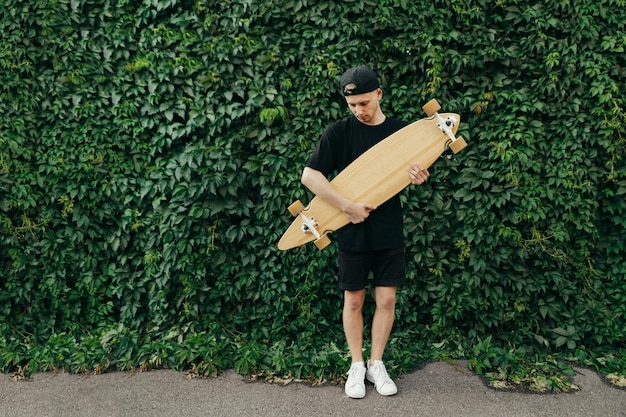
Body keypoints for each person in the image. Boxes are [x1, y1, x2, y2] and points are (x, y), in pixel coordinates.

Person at [301, 65, 430, 398]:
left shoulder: (403, 133)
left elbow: (417, 167)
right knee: (354, 300)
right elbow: (311, 177)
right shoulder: (339, 133)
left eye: (364, 103)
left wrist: (419, 175)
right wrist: (346, 206)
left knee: (386, 299)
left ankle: (376, 364)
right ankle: (356, 366)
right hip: (352, 229)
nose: (359, 110)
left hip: (388, 228)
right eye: (352, 105)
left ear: (378, 94)